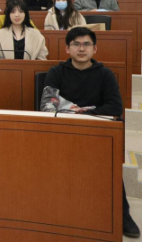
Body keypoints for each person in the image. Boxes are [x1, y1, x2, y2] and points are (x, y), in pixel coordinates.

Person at [43, 27, 140, 238]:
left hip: (98, 133)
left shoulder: (105, 74)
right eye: (76, 44)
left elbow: (115, 107)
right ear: (67, 49)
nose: (81, 49)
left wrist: (79, 112)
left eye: (86, 44)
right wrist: (89, 111)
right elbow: (48, 106)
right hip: (63, 132)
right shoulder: (56, 72)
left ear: (94, 49)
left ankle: (122, 214)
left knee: (110, 165)